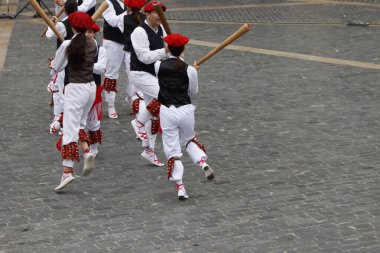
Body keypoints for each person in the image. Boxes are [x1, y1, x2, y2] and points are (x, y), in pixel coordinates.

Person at [155, 33, 215, 200]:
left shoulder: (158, 65)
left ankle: (181, 187)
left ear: (168, 48)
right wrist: (193, 72)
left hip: (167, 110)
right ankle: (203, 163)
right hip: (186, 110)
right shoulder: (189, 70)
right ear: (183, 49)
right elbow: (193, 91)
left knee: (172, 150)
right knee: (189, 139)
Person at [51, 12, 99, 192]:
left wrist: (59, 57)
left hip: (76, 89)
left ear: (72, 27)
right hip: (90, 88)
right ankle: (87, 152)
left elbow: (57, 66)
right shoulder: (93, 43)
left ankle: (67, 171)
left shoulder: (67, 44)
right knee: (79, 124)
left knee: (69, 131)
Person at [129, 1, 169, 167]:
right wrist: (165, 51)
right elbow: (144, 57)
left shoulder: (162, 29)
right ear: (147, 14)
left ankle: (148, 150)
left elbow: (167, 50)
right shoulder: (139, 31)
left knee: (154, 112)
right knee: (164, 96)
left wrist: (175, 51)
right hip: (140, 73)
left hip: (155, 73)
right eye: (156, 13)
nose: (160, 16)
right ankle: (137, 123)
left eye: (162, 13)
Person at [117, 0, 147, 143]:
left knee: (133, 82)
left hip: (130, 53)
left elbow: (122, 31)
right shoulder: (145, 18)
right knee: (143, 82)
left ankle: (139, 117)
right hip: (144, 53)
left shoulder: (123, 19)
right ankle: (142, 114)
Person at [102, 0, 127, 119]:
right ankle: (110, 104)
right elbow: (113, 22)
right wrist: (129, 11)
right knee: (112, 73)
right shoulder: (108, 3)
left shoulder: (129, 2)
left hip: (128, 41)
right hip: (112, 42)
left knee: (134, 72)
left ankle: (134, 99)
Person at [85, 23, 107, 157]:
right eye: (85, 32)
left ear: (94, 34)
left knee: (93, 120)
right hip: (78, 86)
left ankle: (93, 147)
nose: (87, 34)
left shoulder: (101, 50)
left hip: (94, 86)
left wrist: (86, 64)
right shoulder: (77, 48)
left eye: (90, 32)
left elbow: (101, 68)